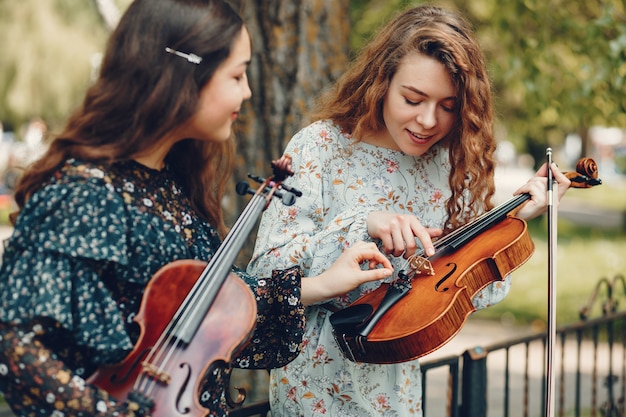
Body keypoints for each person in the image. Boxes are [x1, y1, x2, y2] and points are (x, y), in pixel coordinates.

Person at [0, 1, 395, 416]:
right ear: (185, 78)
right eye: (237, 75)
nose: (247, 91)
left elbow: (211, 314)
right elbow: (18, 347)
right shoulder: (84, 194)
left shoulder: (171, 186)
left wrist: (325, 283)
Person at [246, 4, 572, 417]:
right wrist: (361, 226)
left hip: (399, 397)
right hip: (313, 394)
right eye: (413, 99)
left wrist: (514, 218)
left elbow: (469, 289)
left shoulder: (450, 165)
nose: (428, 120)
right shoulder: (319, 149)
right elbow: (265, 273)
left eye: (449, 106)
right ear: (381, 82)